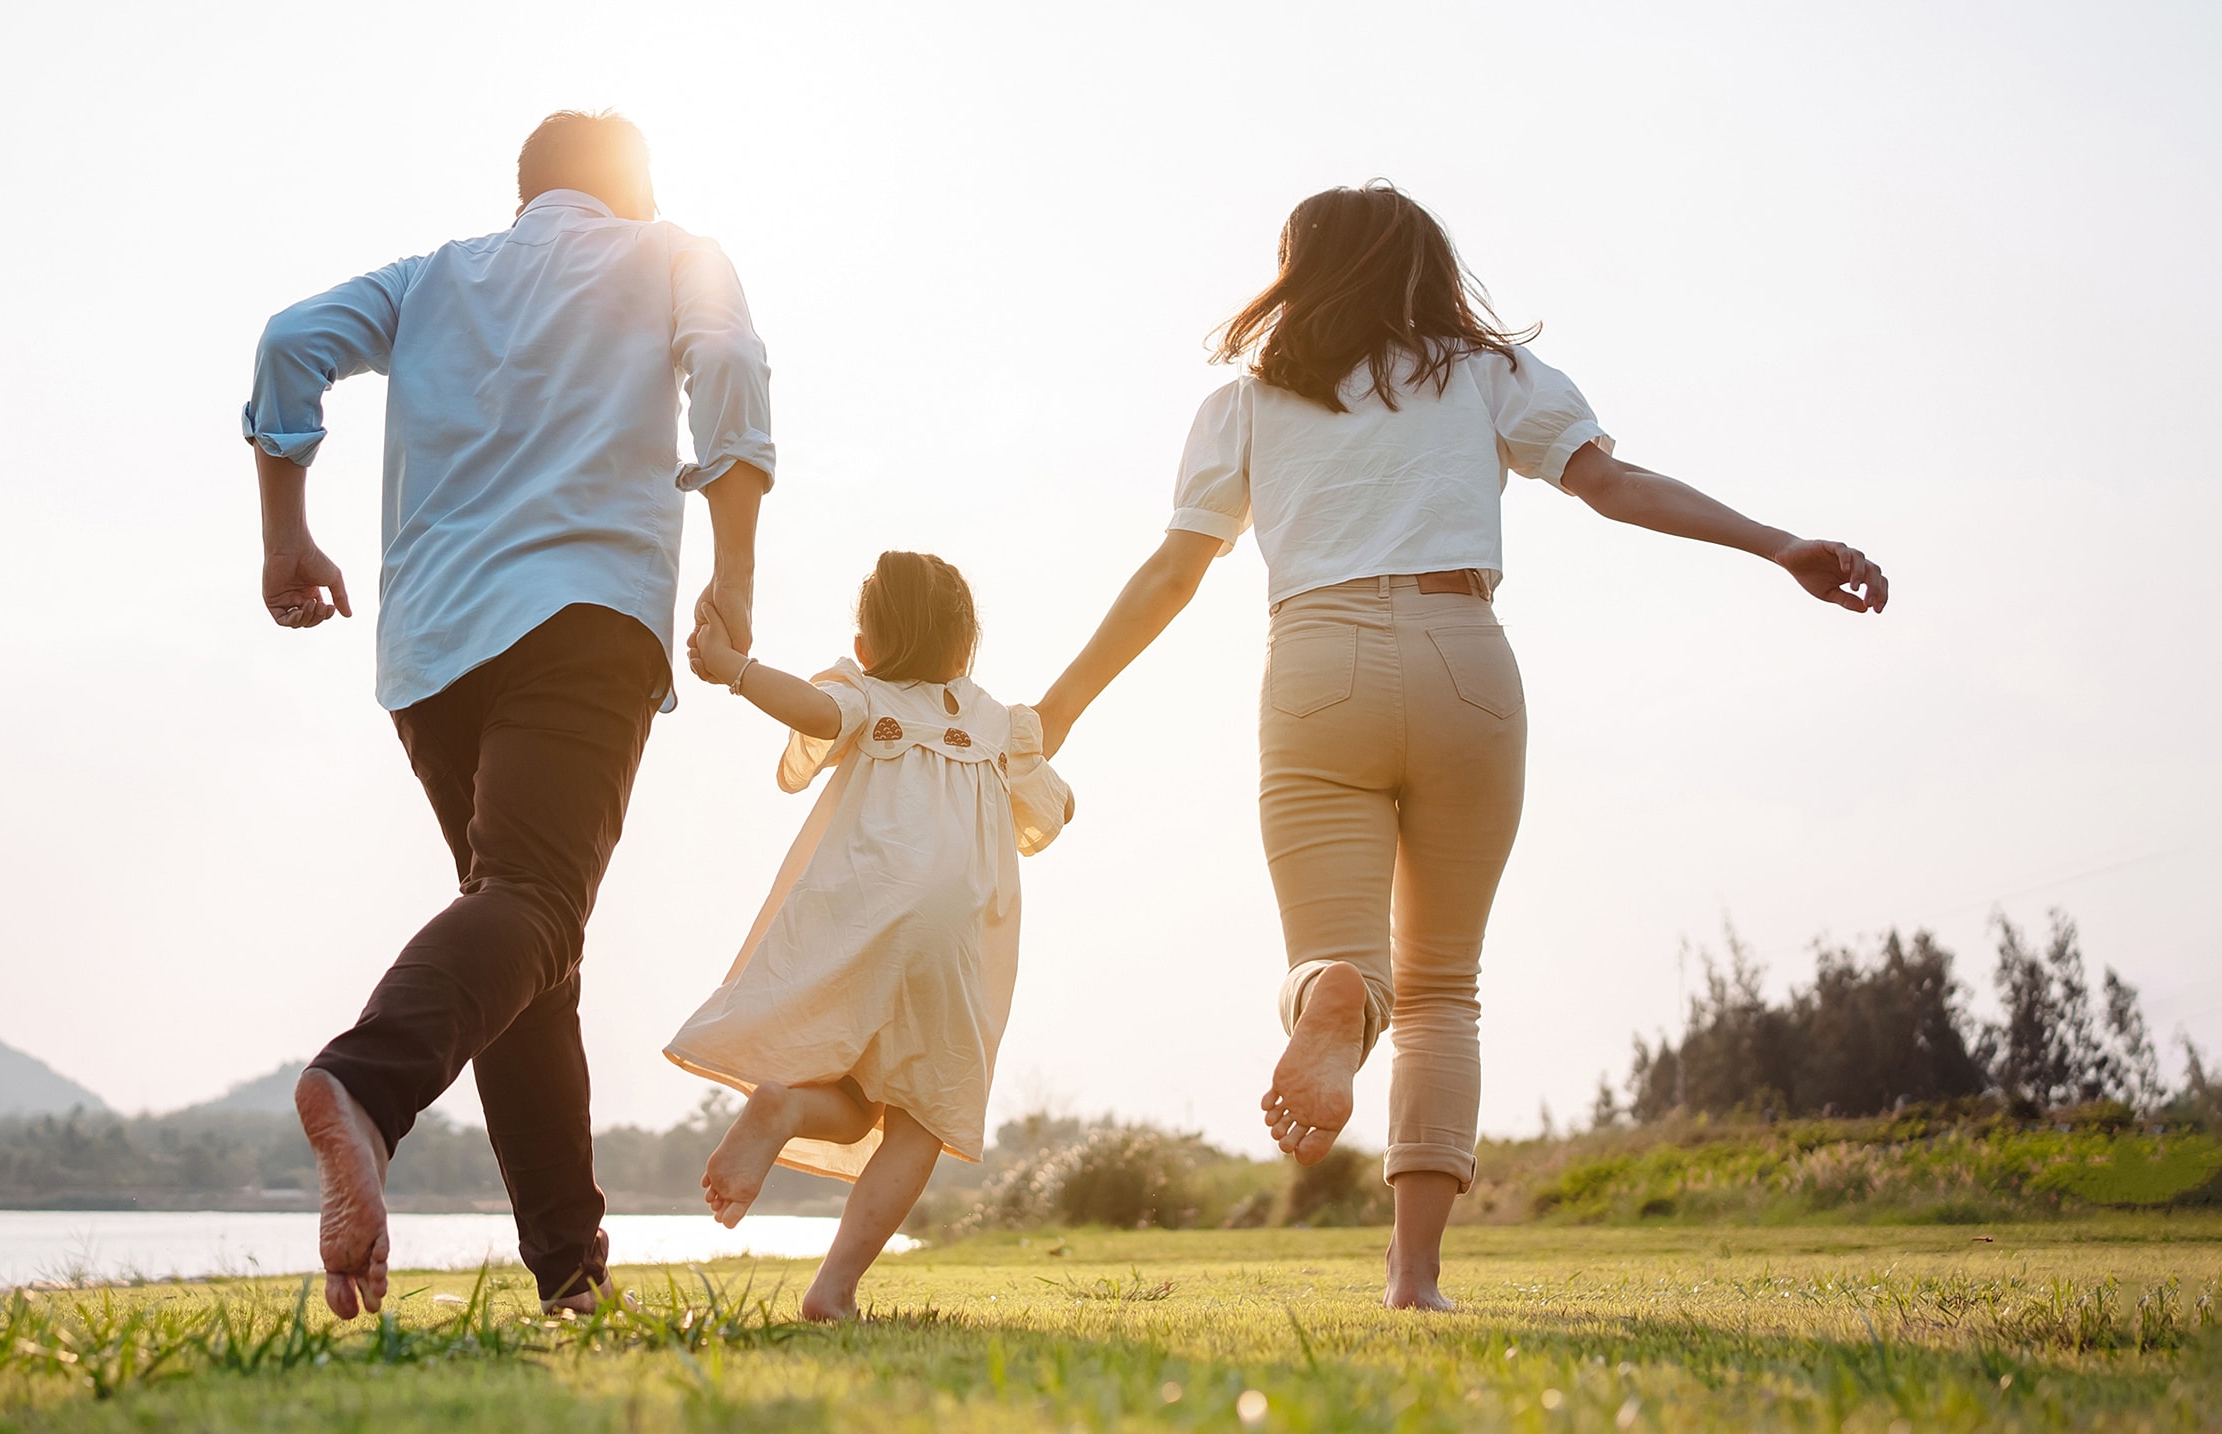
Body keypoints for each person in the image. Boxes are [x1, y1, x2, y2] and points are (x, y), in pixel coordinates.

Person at [1033, 181, 1886, 1311]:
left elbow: (1174, 573)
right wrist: (1777, 543)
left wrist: (1058, 708)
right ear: (1426, 270)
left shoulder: (1245, 404)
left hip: (1316, 665)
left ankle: (1332, 996)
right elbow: (1608, 484)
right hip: (1461, 659)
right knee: (1443, 989)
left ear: (1298, 273)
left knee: (1342, 960)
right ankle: (1416, 1278)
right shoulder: (1488, 375)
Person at [239, 110, 775, 1320]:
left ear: (522, 191)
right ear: (633, 188)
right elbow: (731, 367)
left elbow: (288, 342)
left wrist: (286, 539)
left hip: (431, 651)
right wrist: (734, 569)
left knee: (529, 952)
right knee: (533, 912)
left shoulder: (432, 278)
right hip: (582, 616)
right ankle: (365, 1092)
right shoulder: (672, 250)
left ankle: (571, 1278)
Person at [667, 552, 1073, 1321]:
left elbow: (815, 715)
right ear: (965, 647)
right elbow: (1056, 808)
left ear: (867, 646)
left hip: (866, 911)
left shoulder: (864, 694)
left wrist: (735, 669)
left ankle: (784, 1106)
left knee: (855, 1100)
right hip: (951, 936)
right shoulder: (998, 723)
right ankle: (834, 1290)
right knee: (922, 1120)